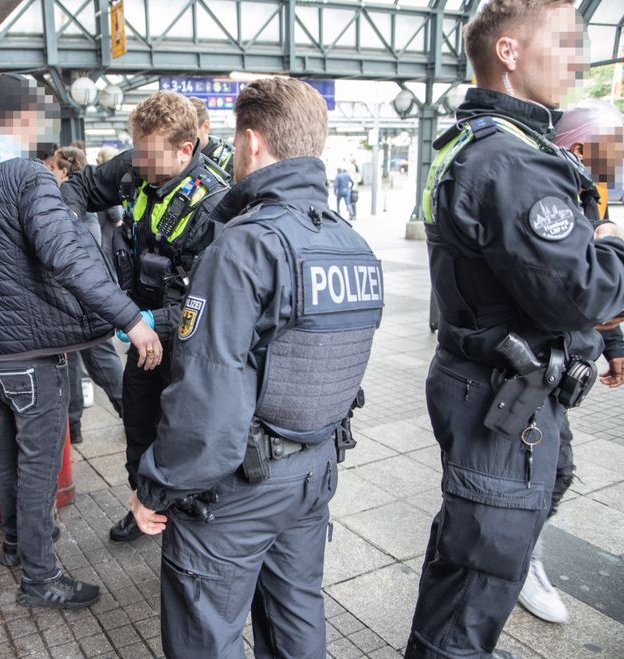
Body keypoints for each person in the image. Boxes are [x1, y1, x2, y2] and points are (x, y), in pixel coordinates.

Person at [406, 0, 624, 656]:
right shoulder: (511, 163)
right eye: (564, 43)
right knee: (476, 578)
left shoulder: (474, 145)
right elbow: (584, 290)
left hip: (489, 386)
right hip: (504, 400)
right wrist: (617, 245)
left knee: (471, 554)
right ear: (509, 53)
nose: (579, 59)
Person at [129, 77, 382, 658]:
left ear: (252, 141)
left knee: (205, 636)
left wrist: (156, 487)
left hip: (240, 488)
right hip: (314, 472)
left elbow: (208, 403)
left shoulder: (244, 245)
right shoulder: (352, 244)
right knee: (296, 617)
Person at [0, 73, 163, 610]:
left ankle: (18, 544)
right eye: (39, 115)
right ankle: (41, 579)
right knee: (39, 464)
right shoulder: (26, 176)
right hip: (30, 353)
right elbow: (69, 257)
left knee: (5, 449)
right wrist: (131, 320)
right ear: (22, 119)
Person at [62, 90, 230, 542]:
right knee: (137, 424)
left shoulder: (216, 206)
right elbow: (76, 188)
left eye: (151, 156)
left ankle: (187, 519)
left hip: (188, 343)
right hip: (140, 330)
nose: (141, 164)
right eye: (137, 151)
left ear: (186, 149)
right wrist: (68, 230)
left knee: (184, 434)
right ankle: (143, 502)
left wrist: (149, 322)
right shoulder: (136, 163)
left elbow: (216, 305)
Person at [516, 99, 624, 624]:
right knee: (548, 472)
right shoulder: (550, 195)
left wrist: (614, 346)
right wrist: (618, 248)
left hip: (562, 365)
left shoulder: (587, 192)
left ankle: (514, 552)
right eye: (617, 147)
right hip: (528, 370)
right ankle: (516, 559)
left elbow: (592, 294)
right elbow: (574, 287)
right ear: (583, 147)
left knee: (549, 473)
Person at [45, 146, 126, 442]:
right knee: (74, 365)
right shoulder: (67, 202)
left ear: (64, 172)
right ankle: (74, 426)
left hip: (87, 297)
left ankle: (129, 417)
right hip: (83, 295)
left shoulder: (71, 205)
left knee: (101, 363)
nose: (47, 172)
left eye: (52, 168)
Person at [189, 96, 234, 181]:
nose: (182, 139)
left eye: (189, 133)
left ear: (206, 127)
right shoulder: (177, 157)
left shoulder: (229, 162)